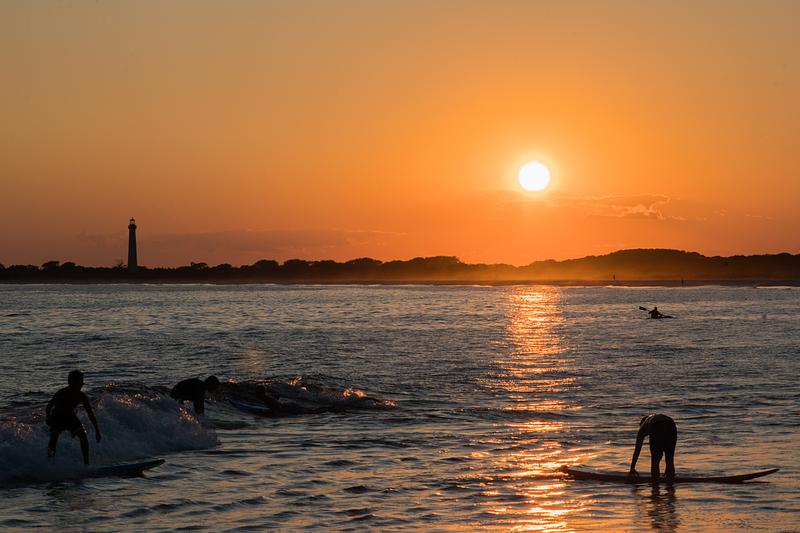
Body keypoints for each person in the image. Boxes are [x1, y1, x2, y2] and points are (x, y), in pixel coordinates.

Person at [46, 370, 102, 465]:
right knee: (54, 437)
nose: (82, 384)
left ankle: (86, 464)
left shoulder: (81, 396)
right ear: (71, 382)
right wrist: (48, 418)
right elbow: (49, 406)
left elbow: (90, 413)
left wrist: (97, 430)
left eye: (82, 382)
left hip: (70, 416)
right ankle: (50, 462)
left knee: (83, 435)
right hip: (57, 416)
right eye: (80, 382)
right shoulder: (61, 392)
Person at [628, 414, 677, 483]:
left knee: (655, 460)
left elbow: (637, 449)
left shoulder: (643, 426)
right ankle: (670, 484)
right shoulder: (652, 419)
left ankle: (655, 484)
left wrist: (632, 468)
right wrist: (668, 468)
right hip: (671, 424)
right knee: (669, 459)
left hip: (657, 425)